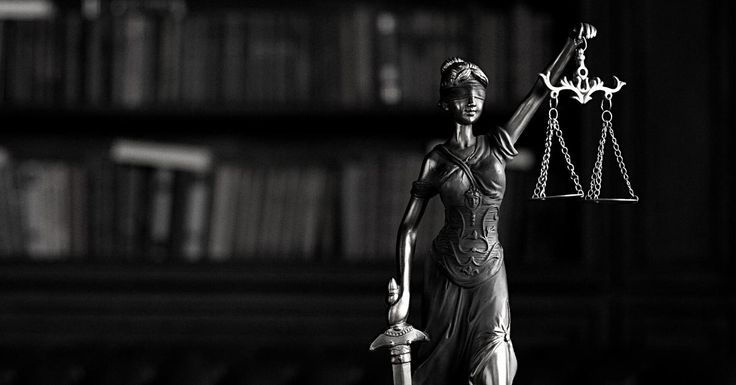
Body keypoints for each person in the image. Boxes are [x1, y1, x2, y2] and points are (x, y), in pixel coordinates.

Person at [385, 23, 598, 385]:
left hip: (490, 267)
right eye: (462, 95)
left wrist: (571, 46)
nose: (471, 102)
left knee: (495, 353)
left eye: (478, 97)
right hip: (446, 270)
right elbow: (409, 226)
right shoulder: (436, 160)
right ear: (444, 102)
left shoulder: (498, 143)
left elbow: (538, 93)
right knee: (441, 360)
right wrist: (403, 294)